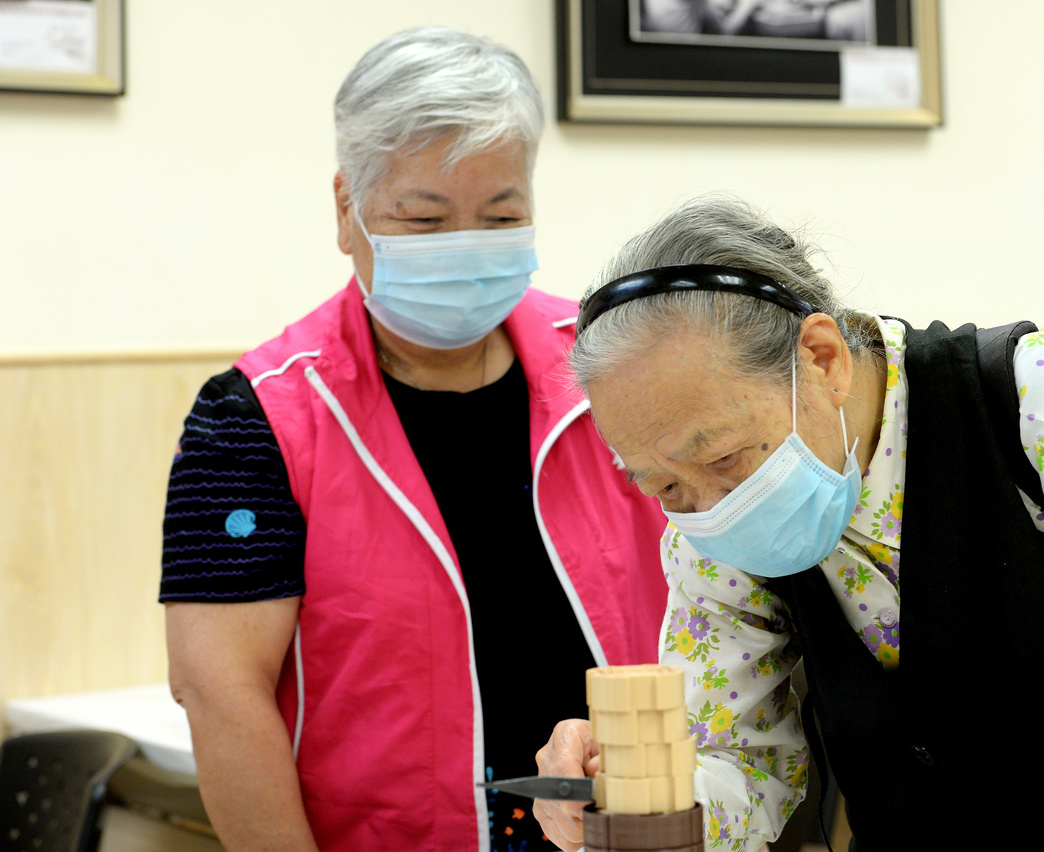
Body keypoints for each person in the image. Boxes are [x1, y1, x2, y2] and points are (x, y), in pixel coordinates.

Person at [534, 195, 1044, 851]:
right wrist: (634, 797)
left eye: (726, 456)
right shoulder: (710, 531)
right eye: (663, 485)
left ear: (822, 359)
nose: (710, 504)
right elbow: (743, 767)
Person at [159, 27, 669, 852]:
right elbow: (220, 692)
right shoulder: (252, 422)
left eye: (501, 216)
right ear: (347, 210)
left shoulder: (612, 367)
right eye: (424, 220)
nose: (465, 246)